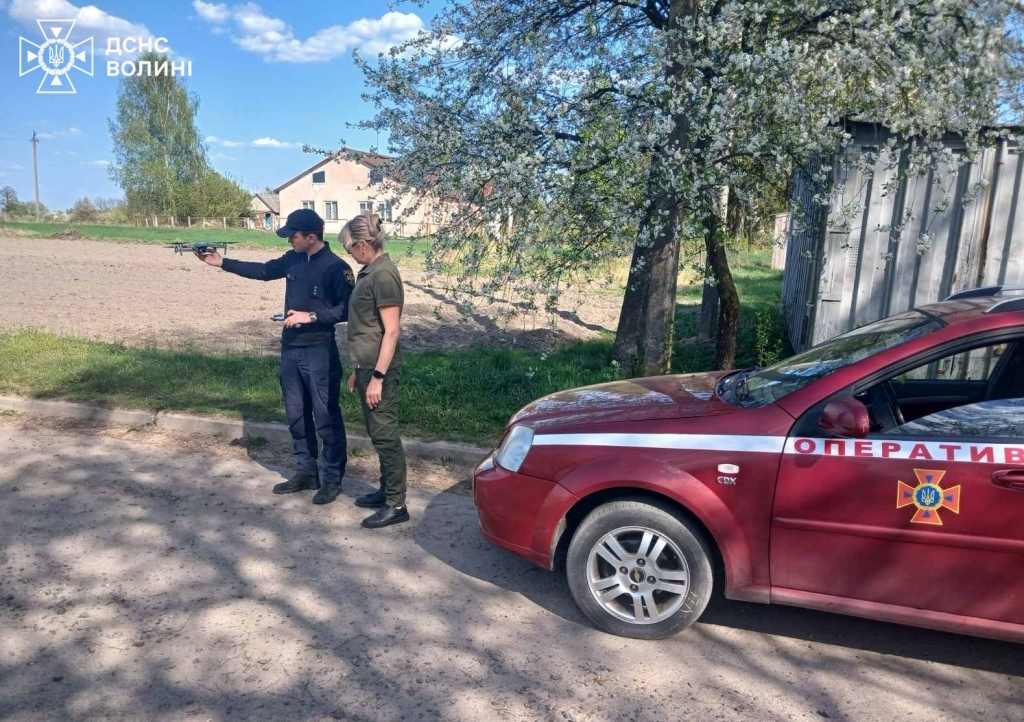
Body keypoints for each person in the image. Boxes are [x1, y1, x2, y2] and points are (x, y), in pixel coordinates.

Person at [196, 208, 354, 505]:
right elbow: (264, 271)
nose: (289, 240)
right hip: (290, 348)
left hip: (319, 351)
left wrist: (312, 316)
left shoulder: (336, 267)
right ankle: (306, 472)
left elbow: (348, 308)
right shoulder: (293, 259)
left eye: (293, 236)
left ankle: (332, 479)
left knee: (325, 417)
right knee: (296, 414)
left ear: (311, 237)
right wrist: (221, 262)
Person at [339, 212, 410, 529]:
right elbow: (367, 327)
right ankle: (386, 491)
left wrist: (378, 378)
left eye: (350, 248)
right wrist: (359, 369)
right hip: (367, 367)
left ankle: (396, 504)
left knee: (385, 435)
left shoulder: (383, 276)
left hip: (380, 371)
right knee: (378, 433)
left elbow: (391, 331)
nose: (350, 254)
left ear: (363, 244)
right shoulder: (370, 272)